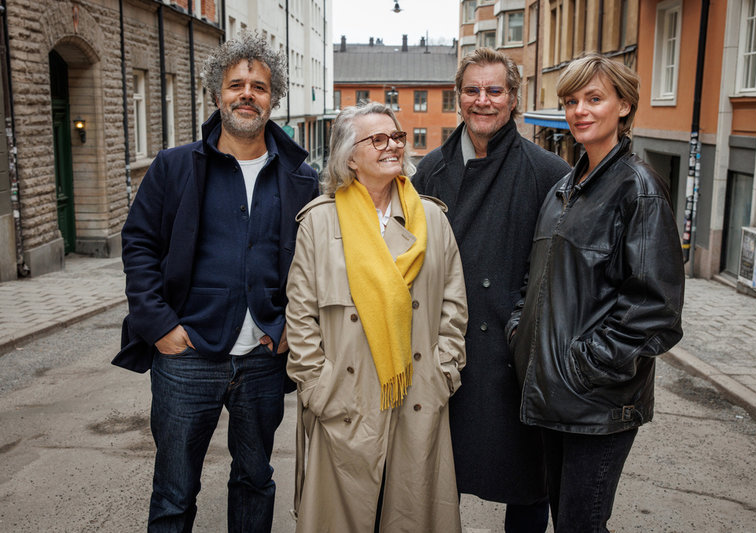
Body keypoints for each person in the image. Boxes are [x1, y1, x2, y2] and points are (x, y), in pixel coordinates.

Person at [113, 31, 318, 531]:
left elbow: (313, 266)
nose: (247, 93)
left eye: (260, 86)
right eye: (236, 84)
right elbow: (138, 246)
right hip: (188, 356)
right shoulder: (175, 167)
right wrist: (160, 326)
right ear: (216, 94)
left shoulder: (300, 178)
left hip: (264, 358)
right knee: (175, 491)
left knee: (254, 480)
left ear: (273, 98)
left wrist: (292, 326)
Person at [507, 53, 685, 532]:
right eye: (570, 101)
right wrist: (519, 331)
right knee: (566, 520)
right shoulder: (564, 189)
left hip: (596, 402)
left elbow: (656, 310)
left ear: (624, 106)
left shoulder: (638, 189)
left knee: (579, 525)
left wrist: (586, 366)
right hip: (550, 393)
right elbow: (535, 278)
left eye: (594, 98)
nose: (579, 111)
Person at [285, 102, 468, 533]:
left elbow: (453, 306)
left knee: (411, 512)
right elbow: (300, 315)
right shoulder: (319, 222)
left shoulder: (432, 221)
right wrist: (318, 387)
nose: (394, 146)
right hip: (344, 400)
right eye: (378, 139)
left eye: (397, 137)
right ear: (350, 157)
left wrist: (444, 372)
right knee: (344, 516)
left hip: (417, 392)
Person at [414, 47, 570, 531]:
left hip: (514, 358)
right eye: (472, 90)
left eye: (494, 90)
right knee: (436, 481)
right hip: (446, 352)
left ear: (513, 99)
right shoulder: (429, 171)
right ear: (459, 97)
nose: (483, 101)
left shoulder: (548, 173)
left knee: (528, 486)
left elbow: (561, 274)